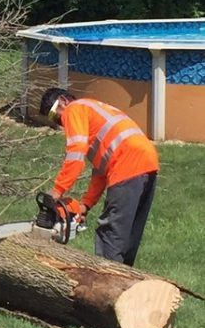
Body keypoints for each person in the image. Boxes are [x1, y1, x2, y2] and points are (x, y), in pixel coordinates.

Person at [38, 87, 159, 267]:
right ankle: (127, 280)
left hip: (127, 164)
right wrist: (85, 205)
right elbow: (101, 171)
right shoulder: (93, 110)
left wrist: (57, 191)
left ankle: (108, 281)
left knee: (110, 233)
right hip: (147, 162)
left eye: (56, 115)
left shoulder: (74, 109)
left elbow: (76, 153)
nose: (60, 122)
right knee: (128, 233)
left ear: (64, 101)